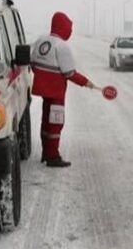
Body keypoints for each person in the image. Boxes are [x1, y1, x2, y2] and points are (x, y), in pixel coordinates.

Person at [30, 12, 95, 167]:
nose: (70, 31)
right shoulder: (62, 46)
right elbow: (69, 73)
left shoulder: (41, 40)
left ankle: (46, 152)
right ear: (64, 27)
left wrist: (43, 77)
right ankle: (53, 156)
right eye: (69, 28)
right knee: (55, 124)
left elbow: (33, 62)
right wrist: (86, 82)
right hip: (56, 93)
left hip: (43, 91)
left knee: (46, 121)